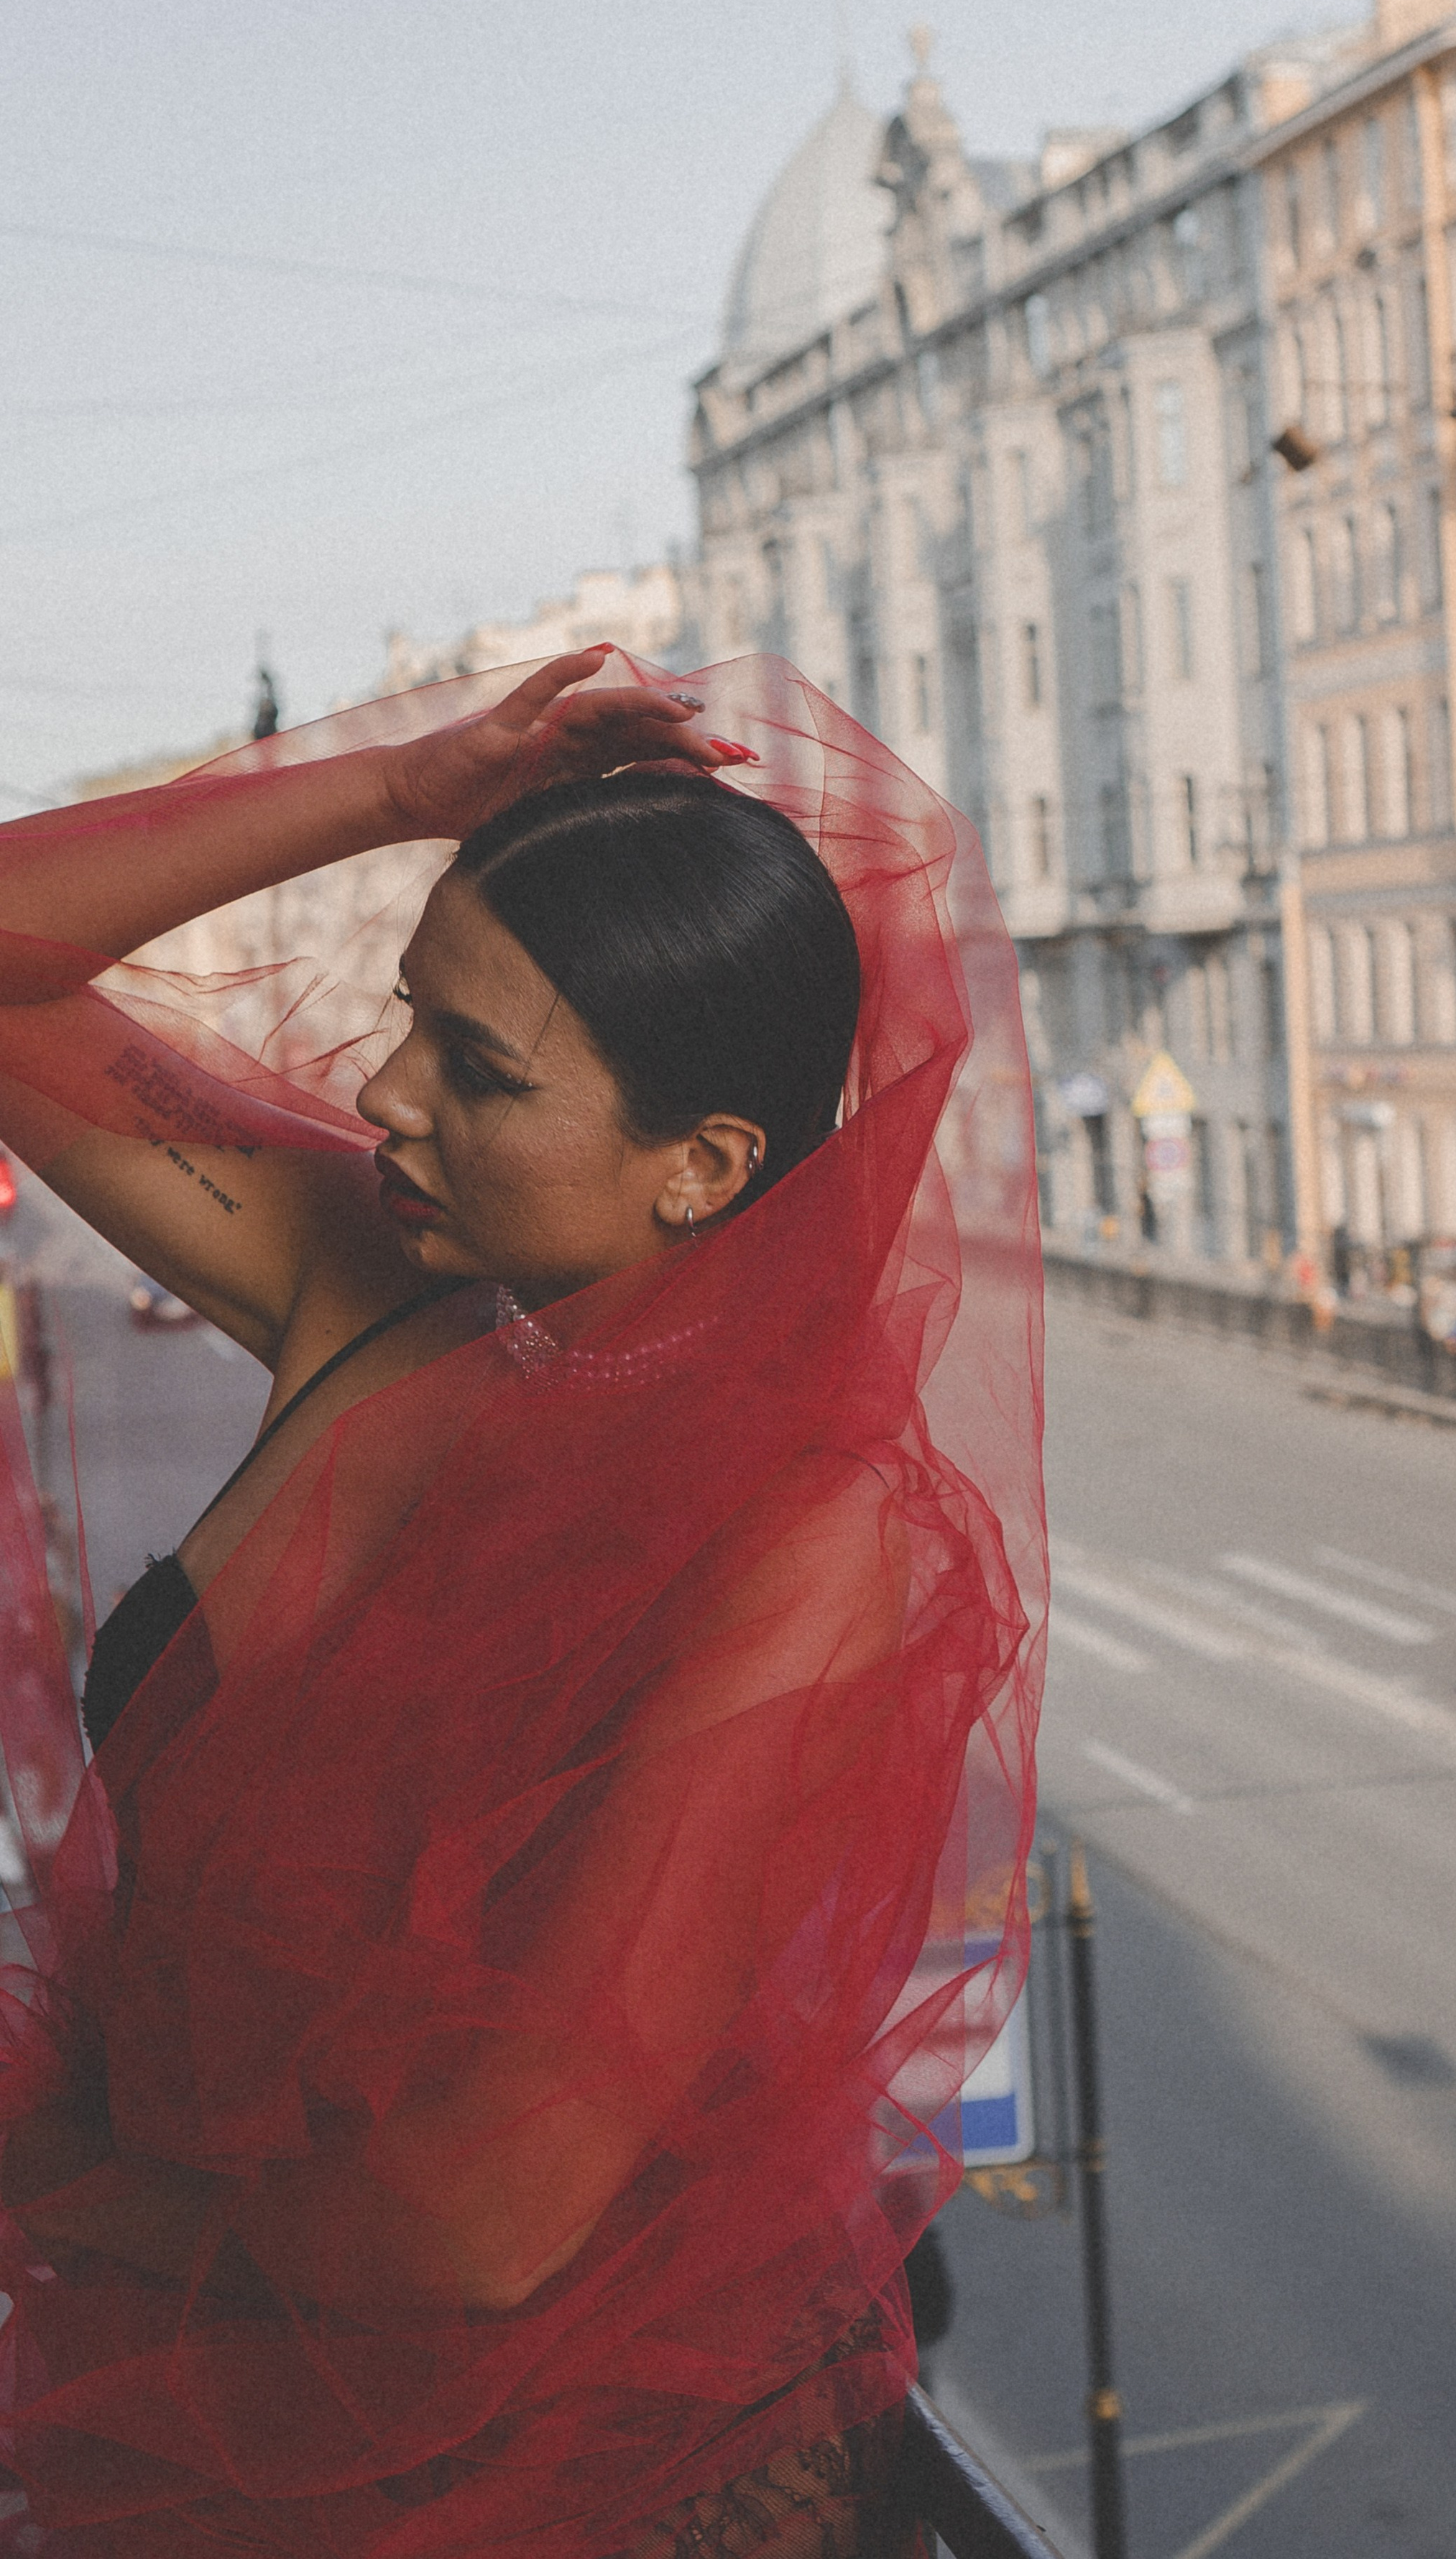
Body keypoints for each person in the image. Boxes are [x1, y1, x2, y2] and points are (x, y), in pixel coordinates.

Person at [0, 650, 1045, 2555]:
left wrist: (49, 2192)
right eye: (412, 1020)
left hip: (554, 2483)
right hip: (206, 2385)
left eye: (477, 1072)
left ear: (705, 1167)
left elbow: (488, 2216)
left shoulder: (806, 1541)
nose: (385, 1093)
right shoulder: (376, 1289)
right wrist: (402, 789)